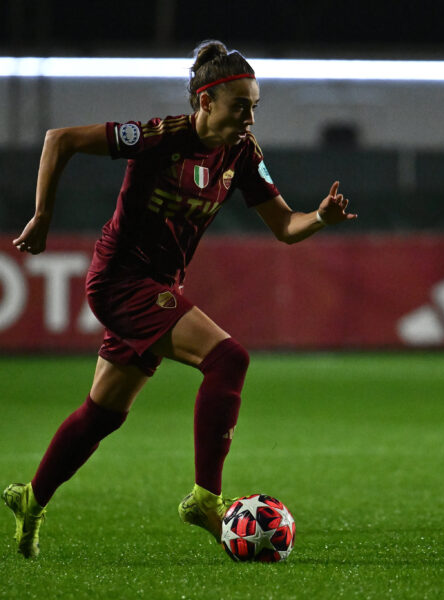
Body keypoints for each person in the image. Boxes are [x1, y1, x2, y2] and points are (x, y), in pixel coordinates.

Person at [3, 40, 357, 558]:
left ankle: (30, 501)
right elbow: (60, 140)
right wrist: (42, 217)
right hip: (121, 281)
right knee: (228, 358)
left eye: (255, 106)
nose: (250, 117)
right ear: (206, 102)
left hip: (161, 286)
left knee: (103, 414)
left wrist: (320, 218)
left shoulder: (242, 154)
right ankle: (205, 500)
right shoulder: (159, 137)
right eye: (241, 106)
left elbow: (284, 225)